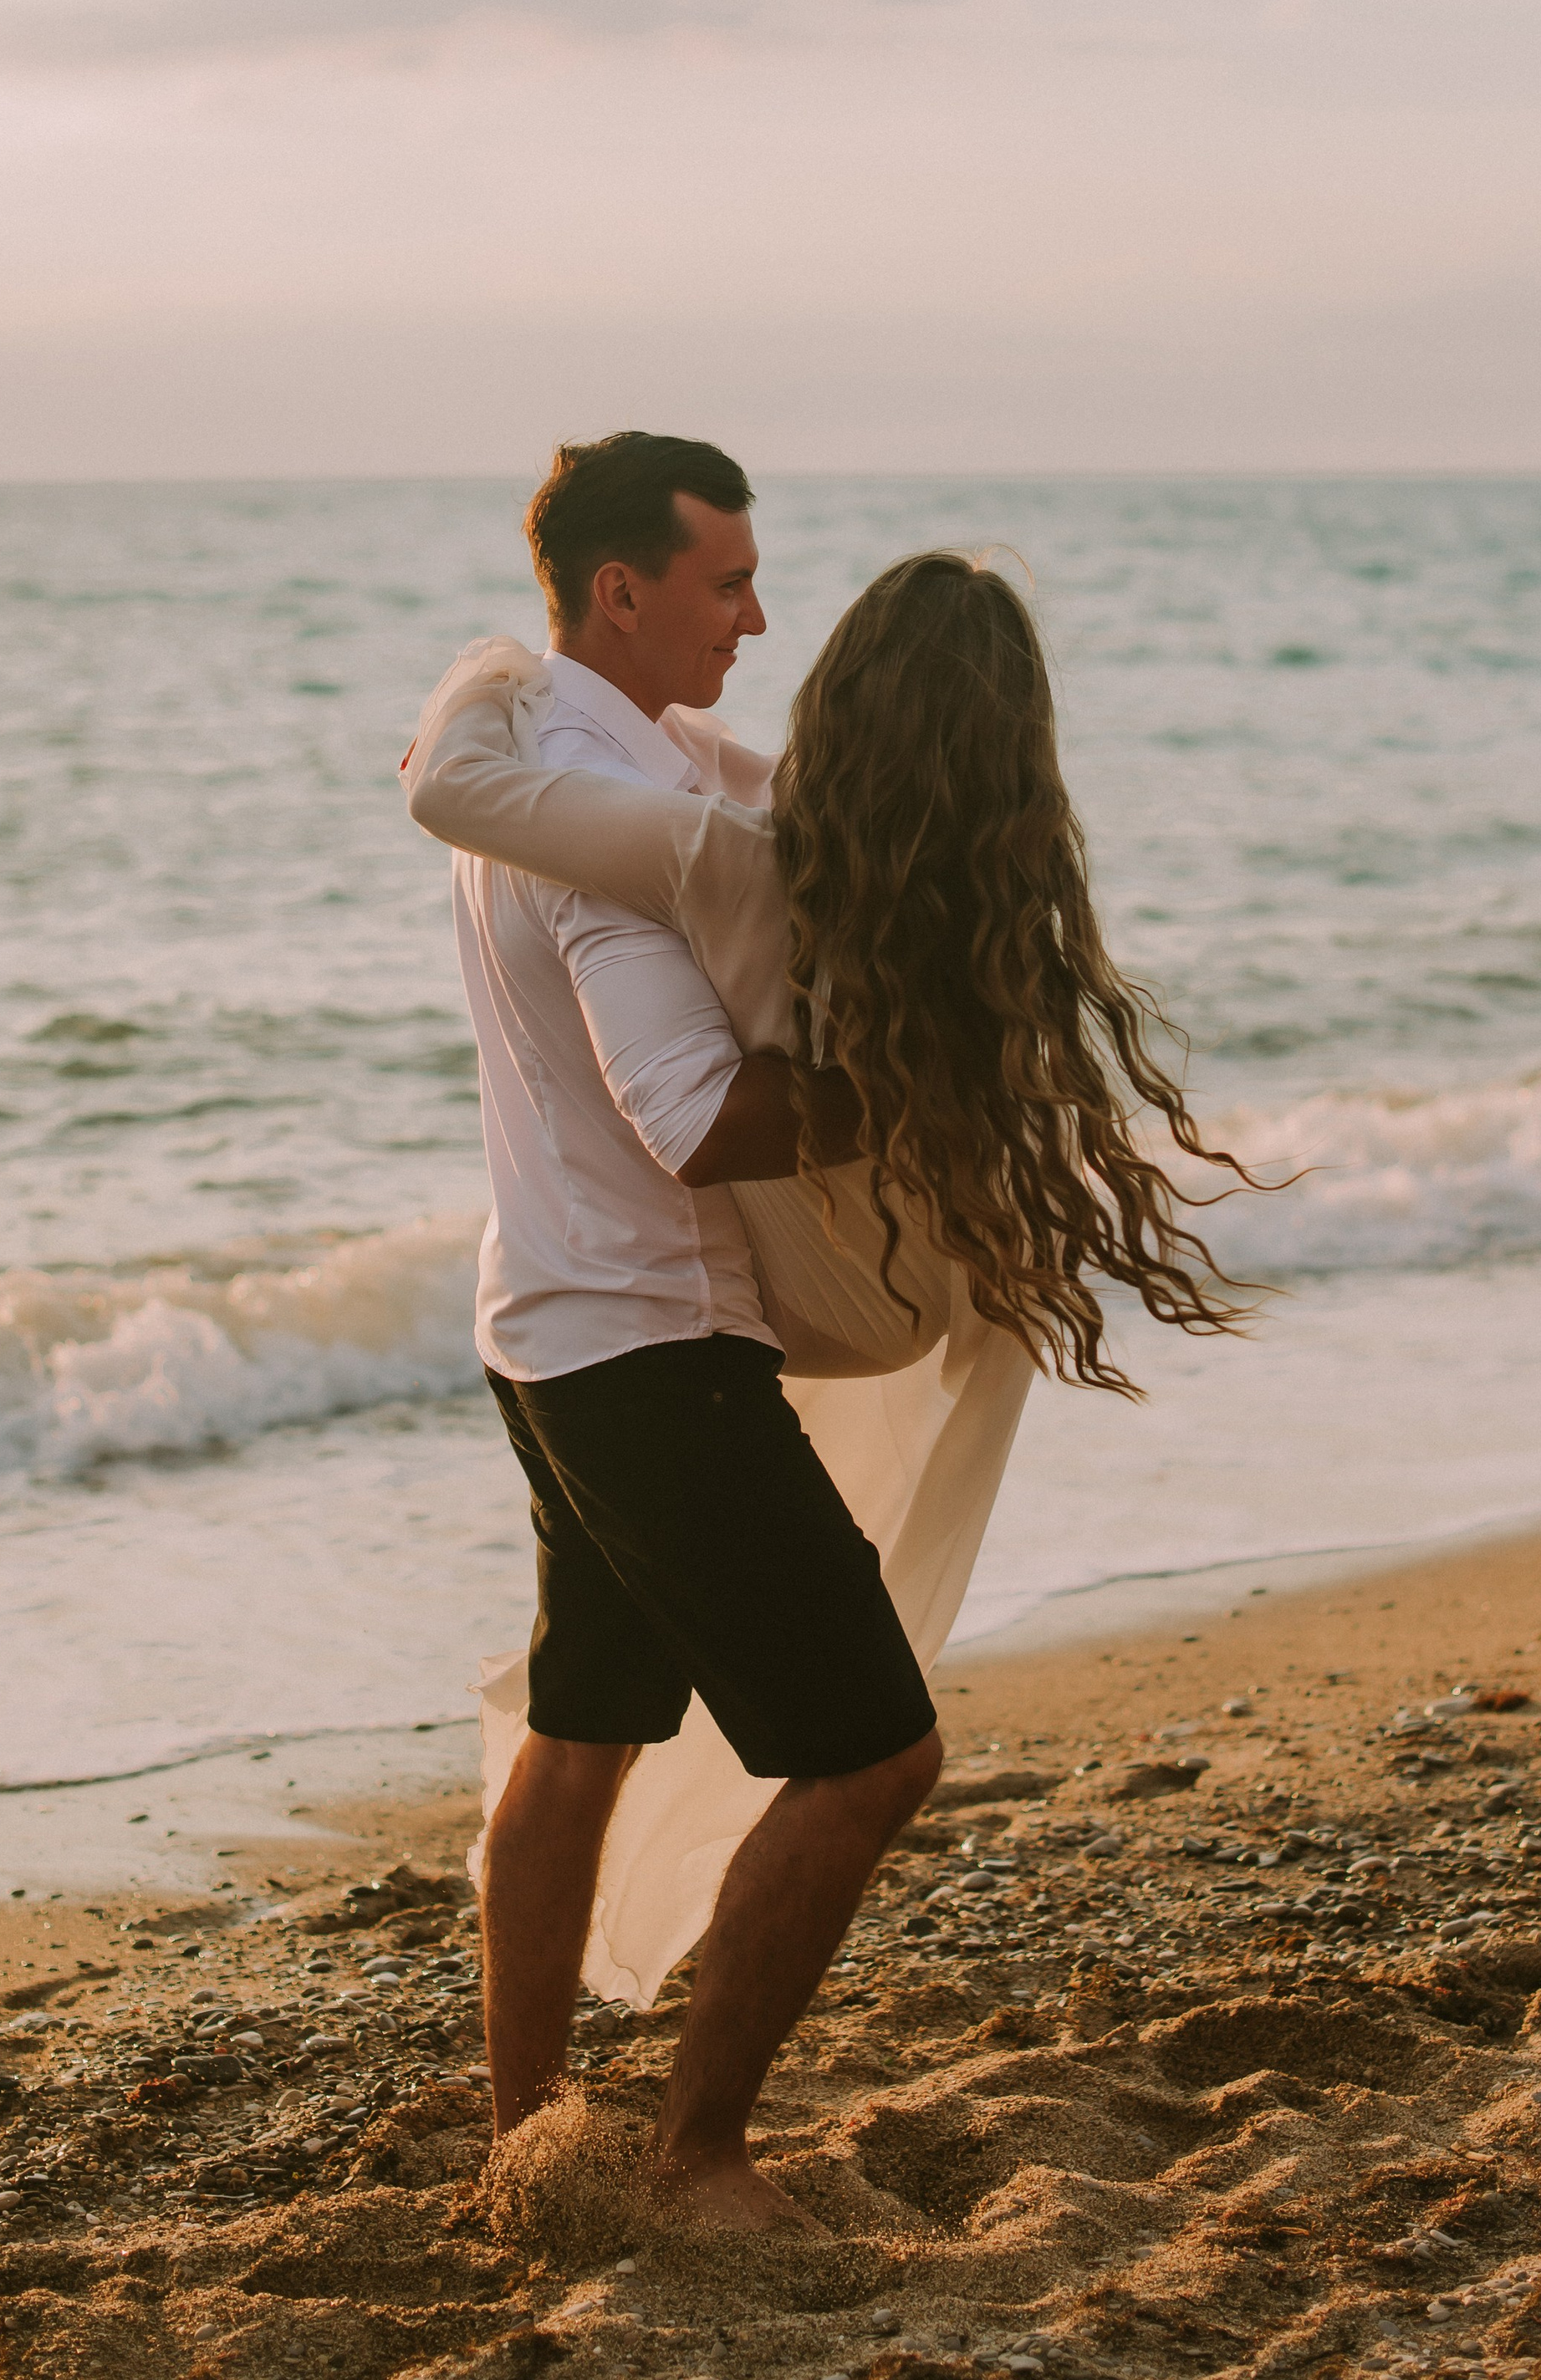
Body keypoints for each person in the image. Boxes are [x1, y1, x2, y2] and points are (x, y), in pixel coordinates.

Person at [405, 431, 1246, 2231]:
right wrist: (915, 1094)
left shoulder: (601, 759)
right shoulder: (610, 826)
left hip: (554, 1319)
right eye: (725, 581)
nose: (754, 614)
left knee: (584, 1722)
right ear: (621, 588)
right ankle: (696, 2155)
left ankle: (525, 2137)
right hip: (642, 1344)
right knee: (870, 1752)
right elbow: (692, 1118)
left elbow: (732, 795)